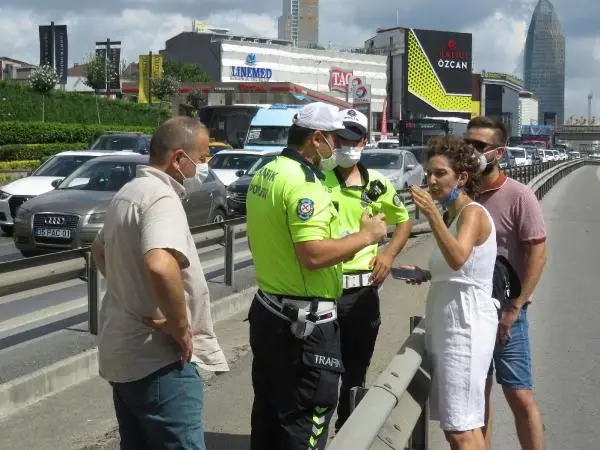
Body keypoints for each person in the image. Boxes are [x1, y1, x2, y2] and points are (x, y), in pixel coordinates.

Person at [246, 102, 388, 450]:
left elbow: (255, 238)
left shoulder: (267, 172)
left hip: (268, 312)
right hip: (304, 327)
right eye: (335, 141)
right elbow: (312, 255)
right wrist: (368, 236)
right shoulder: (306, 184)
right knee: (305, 424)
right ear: (317, 139)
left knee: (269, 418)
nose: (339, 149)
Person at [91, 116, 229, 450]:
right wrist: (180, 327)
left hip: (125, 356)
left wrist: (130, 288)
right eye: (204, 157)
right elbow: (160, 263)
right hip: (160, 363)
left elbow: (99, 249)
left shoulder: (128, 193)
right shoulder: (161, 199)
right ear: (179, 158)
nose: (206, 166)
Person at [401, 135, 498, 450]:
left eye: (440, 173)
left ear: (462, 178)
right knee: (456, 427)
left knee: (462, 428)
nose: (431, 180)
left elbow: (459, 258)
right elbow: (456, 268)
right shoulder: (451, 216)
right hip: (448, 326)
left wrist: (430, 214)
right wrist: (428, 274)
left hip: (466, 328)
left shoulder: (472, 213)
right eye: (429, 173)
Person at [321, 108, 412, 432]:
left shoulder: (377, 185)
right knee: (323, 375)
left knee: (355, 373)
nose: (347, 144)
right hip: (325, 289)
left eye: (353, 138)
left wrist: (388, 254)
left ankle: (347, 434)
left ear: (363, 141)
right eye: (341, 138)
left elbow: (403, 221)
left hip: (362, 293)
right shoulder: (318, 179)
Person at [466, 117, 547, 450]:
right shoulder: (462, 194)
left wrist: (515, 307)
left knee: (519, 394)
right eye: (466, 144)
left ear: (497, 153)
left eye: (479, 147)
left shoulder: (519, 196)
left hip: (507, 315)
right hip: (471, 313)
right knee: (478, 399)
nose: (470, 152)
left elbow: (538, 256)